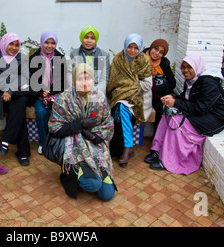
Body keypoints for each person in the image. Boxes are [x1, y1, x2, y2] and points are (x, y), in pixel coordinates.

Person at [145, 54, 224, 175]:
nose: (186, 70)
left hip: (215, 118)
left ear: (197, 66)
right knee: (167, 113)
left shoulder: (208, 82)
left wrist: (175, 102)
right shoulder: (192, 80)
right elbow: (187, 97)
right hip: (202, 112)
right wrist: (174, 97)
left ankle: (168, 160)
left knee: (177, 121)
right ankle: (157, 149)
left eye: (189, 67)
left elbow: (200, 107)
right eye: (183, 67)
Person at [49, 63, 116, 201]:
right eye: (80, 79)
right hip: (73, 145)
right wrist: (79, 124)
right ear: (74, 81)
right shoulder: (63, 99)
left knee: (107, 194)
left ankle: (94, 170)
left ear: (93, 80)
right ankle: (70, 174)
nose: (84, 83)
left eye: (88, 78)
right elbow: (54, 128)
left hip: (95, 145)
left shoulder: (100, 97)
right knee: (93, 185)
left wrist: (93, 136)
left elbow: (108, 124)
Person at [106, 33, 152, 167]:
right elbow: (114, 81)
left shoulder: (144, 60)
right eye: (130, 47)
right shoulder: (118, 59)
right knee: (120, 109)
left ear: (140, 48)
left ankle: (125, 148)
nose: (132, 50)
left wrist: (131, 89)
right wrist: (124, 91)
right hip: (120, 96)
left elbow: (148, 85)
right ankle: (127, 147)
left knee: (121, 111)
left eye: (136, 48)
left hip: (138, 98)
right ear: (125, 46)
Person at [0, 32, 31, 166]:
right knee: (19, 112)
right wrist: (9, 87)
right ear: (5, 43)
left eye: (17, 45)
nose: (14, 48)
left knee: (20, 103)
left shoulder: (21, 58)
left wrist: (10, 90)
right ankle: (23, 153)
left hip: (16, 93)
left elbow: (24, 78)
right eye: (11, 44)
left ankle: (6, 140)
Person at [29, 31, 66, 155]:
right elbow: (31, 81)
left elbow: (62, 82)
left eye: (52, 43)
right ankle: (43, 143)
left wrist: (50, 92)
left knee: (54, 112)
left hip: (54, 94)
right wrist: (41, 92)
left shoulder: (59, 58)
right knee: (40, 112)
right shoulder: (34, 58)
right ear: (41, 42)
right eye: (46, 42)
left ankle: (54, 142)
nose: (49, 46)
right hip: (39, 95)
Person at [143, 39, 176, 132]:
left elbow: (172, 82)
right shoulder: (141, 58)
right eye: (155, 49)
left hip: (157, 94)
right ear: (151, 47)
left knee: (160, 107)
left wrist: (161, 88)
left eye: (161, 52)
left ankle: (157, 136)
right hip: (143, 92)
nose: (157, 53)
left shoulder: (164, 63)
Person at [67, 26, 110, 94]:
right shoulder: (74, 54)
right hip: (78, 92)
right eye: (86, 37)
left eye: (92, 38)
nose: (89, 41)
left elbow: (103, 79)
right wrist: (79, 90)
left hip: (97, 93)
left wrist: (95, 93)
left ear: (96, 39)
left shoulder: (103, 55)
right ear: (81, 38)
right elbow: (70, 75)